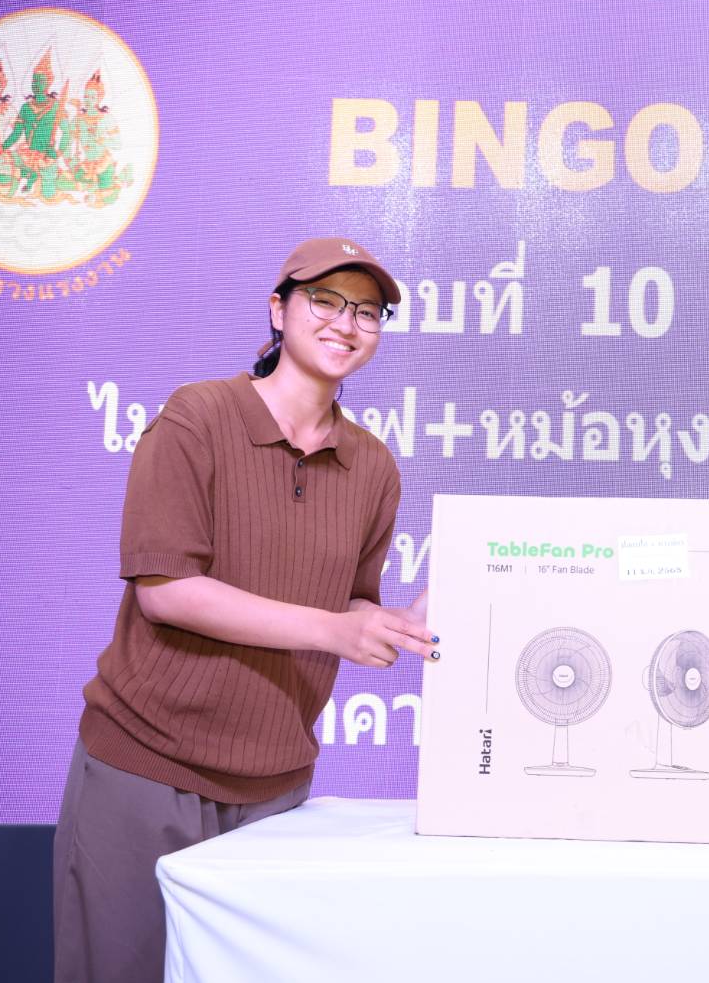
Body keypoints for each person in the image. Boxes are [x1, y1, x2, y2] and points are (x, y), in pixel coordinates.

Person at [54, 237, 438, 983]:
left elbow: (350, 599)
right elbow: (167, 591)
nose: (346, 322)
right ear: (277, 311)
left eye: (367, 311)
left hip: (276, 789)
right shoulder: (198, 416)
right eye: (324, 300)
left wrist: (392, 623)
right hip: (146, 768)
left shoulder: (374, 467)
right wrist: (335, 629)